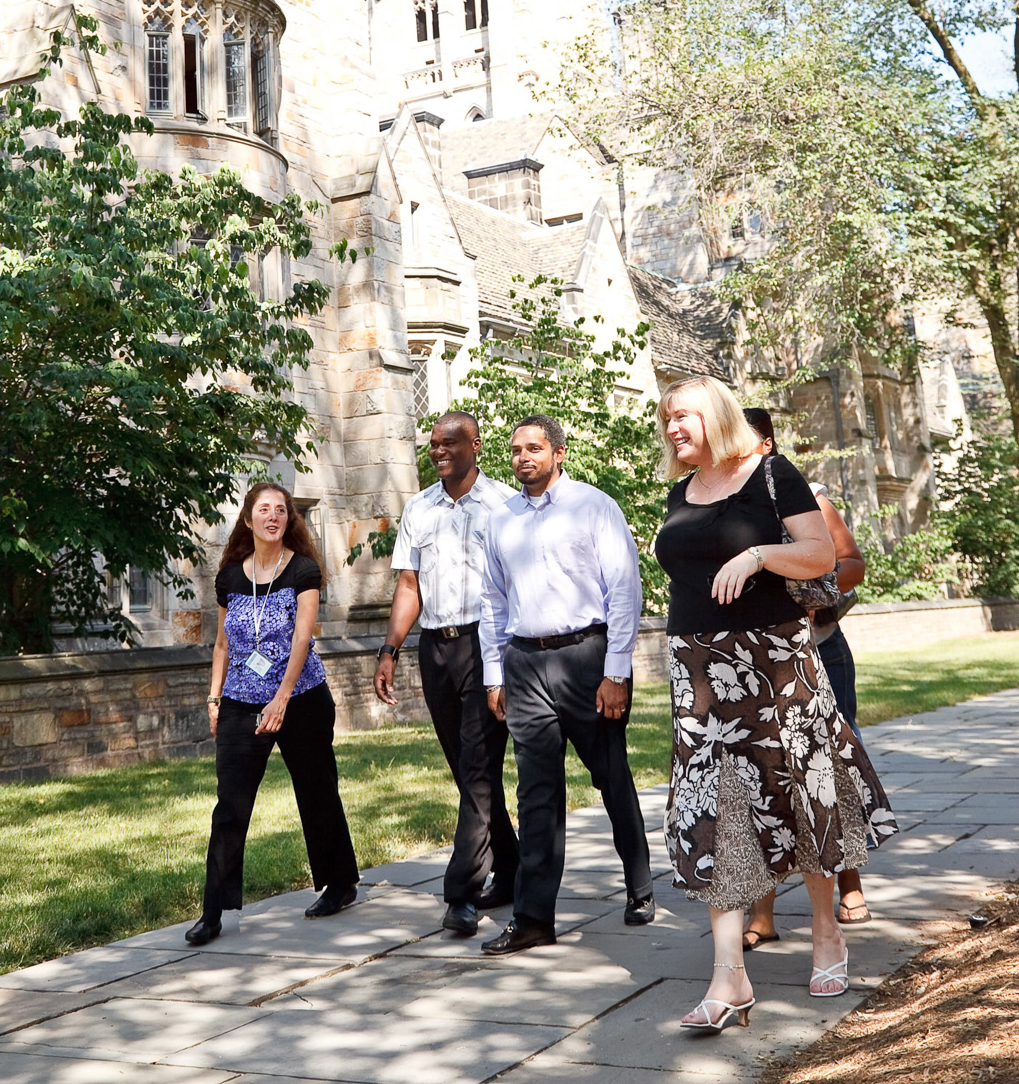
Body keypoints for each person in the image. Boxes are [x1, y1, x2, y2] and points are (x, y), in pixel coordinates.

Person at [653, 376, 897, 1034]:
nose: (673, 427)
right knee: (716, 812)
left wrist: (758, 554)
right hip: (700, 675)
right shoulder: (681, 490)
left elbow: (822, 554)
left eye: (683, 415)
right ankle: (728, 978)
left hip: (775, 667)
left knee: (804, 794)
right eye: (667, 417)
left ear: (716, 415)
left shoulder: (771, 474)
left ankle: (826, 935)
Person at [478, 415, 654, 956]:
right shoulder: (500, 519)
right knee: (535, 794)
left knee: (610, 775)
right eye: (515, 450)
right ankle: (533, 918)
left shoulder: (594, 506)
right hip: (525, 664)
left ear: (558, 452)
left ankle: (640, 884)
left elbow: (624, 590)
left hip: (587, 658)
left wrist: (616, 671)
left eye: (534, 448)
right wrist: (494, 673)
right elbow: (492, 601)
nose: (523, 457)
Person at [185, 482, 359, 946]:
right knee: (230, 805)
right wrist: (214, 697)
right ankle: (213, 911)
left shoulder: (303, 570)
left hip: (300, 697)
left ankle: (339, 884)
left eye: (281, 510)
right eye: (264, 509)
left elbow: (302, 638)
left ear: (289, 520)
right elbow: (222, 644)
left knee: (317, 790)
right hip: (242, 701)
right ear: (248, 519)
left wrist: (281, 698)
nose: (273, 516)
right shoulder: (229, 578)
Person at [374, 411, 519, 937]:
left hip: (488, 647)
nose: (438, 451)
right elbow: (409, 586)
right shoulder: (418, 508)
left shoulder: (505, 504)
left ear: (475, 445)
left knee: (479, 769)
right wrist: (389, 649)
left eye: (450, 443)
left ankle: (461, 892)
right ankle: (514, 866)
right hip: (436, 649)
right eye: (433, 444)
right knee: (467, 771)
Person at [741, 408, 871, 948]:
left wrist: (818, 599)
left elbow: (851, 562)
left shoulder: (808, 494)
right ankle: (763, 913)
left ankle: (851, 885)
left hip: (818, 654)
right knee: (762, 775)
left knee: (830, 767)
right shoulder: (721, 497)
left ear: (767, 444)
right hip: (756, 660)